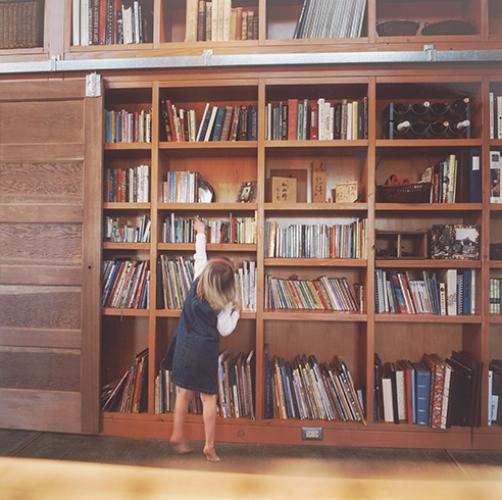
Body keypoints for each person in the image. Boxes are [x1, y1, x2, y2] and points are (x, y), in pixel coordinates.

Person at [163, 217, 240, 462]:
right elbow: (226, 330)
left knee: (182, 394)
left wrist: (201, 233)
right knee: (208, 399)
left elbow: (199, 256)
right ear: (227, 286)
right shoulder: (223, 304)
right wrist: (237, 311)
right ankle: (209, 446)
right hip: (204, 354)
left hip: (183, 347)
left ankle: (177, 433)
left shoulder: (197, 279)